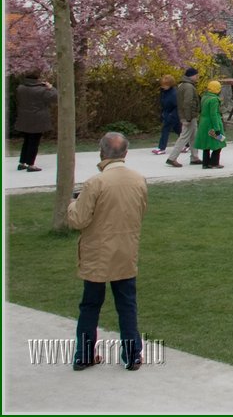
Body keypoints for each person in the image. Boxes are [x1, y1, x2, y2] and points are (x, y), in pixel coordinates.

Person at [68, 132, 148, 371]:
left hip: (98, 252)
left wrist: (72, 204)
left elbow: (79, 219)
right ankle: (133, 356)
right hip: (125, 249)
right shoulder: (138, 180)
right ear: (125, 153)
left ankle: (84, 355)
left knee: (90, 305)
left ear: (102, 152)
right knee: (126, 304)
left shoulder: (96, 182)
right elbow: (141, 212)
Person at [13, 69, 57, 172]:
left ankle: (22, 162)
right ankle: (31, 164)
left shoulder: (20, 88)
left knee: (27, 140)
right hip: (38, 118)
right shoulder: (41, 90)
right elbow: (56, 97)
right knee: (34, 141)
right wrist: (51, 88)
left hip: (24, 118)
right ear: (37, 77)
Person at [164, 68, 202, 168]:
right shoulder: (189, 87)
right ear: (192, 75)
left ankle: (194, 157)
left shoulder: (183, 85)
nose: (197, 77)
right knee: (184, 137)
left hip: (188, 115)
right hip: (189, 116)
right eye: (196, 75)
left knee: (194, 136)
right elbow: (187, 103)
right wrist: (188, 118)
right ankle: (172, 158)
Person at [193, 80, 227, 169]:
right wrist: (217, 129)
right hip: (212, 124)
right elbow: (214, 115)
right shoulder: (214, 100)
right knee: (220, 142)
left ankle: (205, 163)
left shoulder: (204, 97)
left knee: (206, 144)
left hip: (203, 124)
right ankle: (214, 162)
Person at [152, 76, 181, 155]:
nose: (163, 86)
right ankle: (187, 144)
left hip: (173, 115)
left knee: (166, 130)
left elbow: (177, 106)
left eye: (165, 85)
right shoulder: (164, 92)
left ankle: (161, 148)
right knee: (177, 130)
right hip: (167, 113)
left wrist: (171, 115)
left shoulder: (174, 93)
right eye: (162, 84)